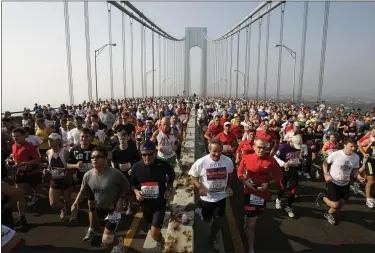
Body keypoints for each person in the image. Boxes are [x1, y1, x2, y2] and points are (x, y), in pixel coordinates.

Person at [71, 144, 129, 250]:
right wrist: (75, 203)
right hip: (100, 209)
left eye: (98, 157)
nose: (94, 159)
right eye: (92, 157)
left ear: (105, 159)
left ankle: (118, 247)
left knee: (106, 239)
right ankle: (118, 242)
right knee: (108, 235)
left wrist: (121, 199)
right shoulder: (88, 175)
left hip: (113, 210)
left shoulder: (115, 173)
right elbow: (82, 190)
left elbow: (126, 186)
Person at [188, 138, 234, 252]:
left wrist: (228, 187)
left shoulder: (228, 161)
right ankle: (200, 210)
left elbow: (231, 175)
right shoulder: (201, 162)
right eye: (214, 151)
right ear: (209, 150)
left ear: (222, 150)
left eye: (219, 151)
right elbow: (193, 176)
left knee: (219, 220)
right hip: (207, 198)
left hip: (221, 197)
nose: (217, 154)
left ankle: (212, 237)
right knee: (207, 219)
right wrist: (200, 187)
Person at [237, 138, 282, 253]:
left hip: (262, 195)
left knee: (257, 215)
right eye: (259, 147)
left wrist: (268, 184)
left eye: (263, 147)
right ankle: (251, 248)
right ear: (254, 147)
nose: (261, 150)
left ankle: (249, 219)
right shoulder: (246, 158)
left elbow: (278, 176)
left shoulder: (271, 161)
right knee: (252, 223)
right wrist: (244, 181)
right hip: (249, 193)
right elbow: (239, 172)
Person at [130, 141, 175, 253]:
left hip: (159, 203)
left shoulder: (163, 164)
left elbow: (172, 176)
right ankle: (160, 238)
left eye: (150, 154)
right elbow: (132, 184)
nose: (147, 158)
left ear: (155, 153)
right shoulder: (136, 167)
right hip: (145, 204)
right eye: (144, 155)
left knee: (154, 234)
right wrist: (136, 192)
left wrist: (169, 189)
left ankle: (161, 243)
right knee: (151, 227)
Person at [315, 138, 365, 225]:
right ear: (345, 145)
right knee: (335, 205)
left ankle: (328, 214)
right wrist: (326, 174)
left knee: (341, 204)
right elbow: (325, 163)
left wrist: (359, 176)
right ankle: (322, 196)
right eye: (351, 146)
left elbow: (355, 169)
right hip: (333, 181)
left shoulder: (356, 157)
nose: (353, 148)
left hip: (345, 183)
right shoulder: (336, 154)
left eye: (355, 146)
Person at [111, 131, 141, 215]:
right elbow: (112, 161)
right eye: (120, 139)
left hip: (130, 172)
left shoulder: (132, 150)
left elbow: (138, 161)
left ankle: (130, 206)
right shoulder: (115, 151)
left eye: (123, 139)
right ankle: (123, 203)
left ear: (127, 139)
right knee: (120, 189)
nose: (122, 141)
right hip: (120, 172)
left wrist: (133, 169)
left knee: (129, 190)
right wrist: (114, 169)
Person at [274, 135, 303, 218]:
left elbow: (298, 156)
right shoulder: (283, 147)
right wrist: (283, 163)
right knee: (283, 187)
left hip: (293, 168)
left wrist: (300, 160)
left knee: (293, 189)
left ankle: (289, 206)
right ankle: (278, 199)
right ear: (291, 142)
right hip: (284, 169)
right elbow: (275, 157)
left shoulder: (299, 147)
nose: (297, 147)